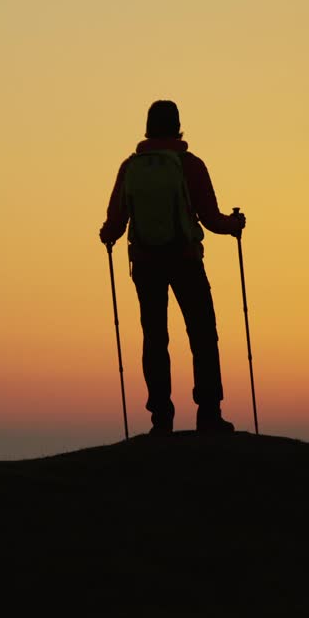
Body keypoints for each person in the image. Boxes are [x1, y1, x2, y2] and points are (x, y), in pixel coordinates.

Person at [99, 100, 246, 434]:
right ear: (178, 126)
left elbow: (115, 224)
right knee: (202, 334)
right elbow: (210, 218)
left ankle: (160, 417)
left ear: (148, 128)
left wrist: (106, 235)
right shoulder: (189, 165)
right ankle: (209, 413)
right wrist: (234, 224)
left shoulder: (130, 167)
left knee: (155, 338)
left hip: (146, 264)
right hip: (184, 259)